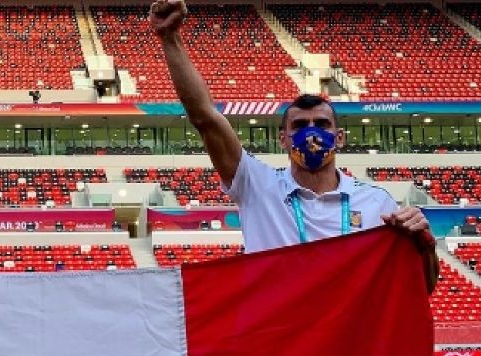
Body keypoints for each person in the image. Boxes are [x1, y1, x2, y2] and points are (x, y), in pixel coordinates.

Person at [149, 0, 438, 290]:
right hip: (280, 334)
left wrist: (425, 248)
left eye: (322, 125)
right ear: (283, 140)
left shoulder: (378, 203)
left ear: (340, 138)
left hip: (347, 335)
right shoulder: (257, 186)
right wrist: (170, 38)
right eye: (300, 126)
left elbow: (421, 287)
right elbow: (205, 118)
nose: (311, 134)